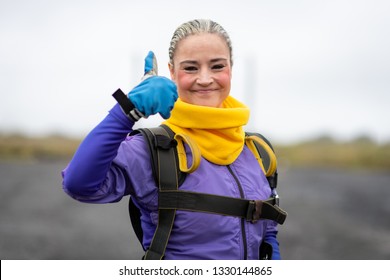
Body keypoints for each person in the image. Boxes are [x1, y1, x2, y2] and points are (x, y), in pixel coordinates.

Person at [62, 19, 284, 260]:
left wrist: (271, 250)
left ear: (231, 68)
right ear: (171, 72)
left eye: (217, 66)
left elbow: (266, 227)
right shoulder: (154, 150)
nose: (205, 78)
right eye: (190, 68)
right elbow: (79, 184)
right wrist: (128, 111)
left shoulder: (256, 150)